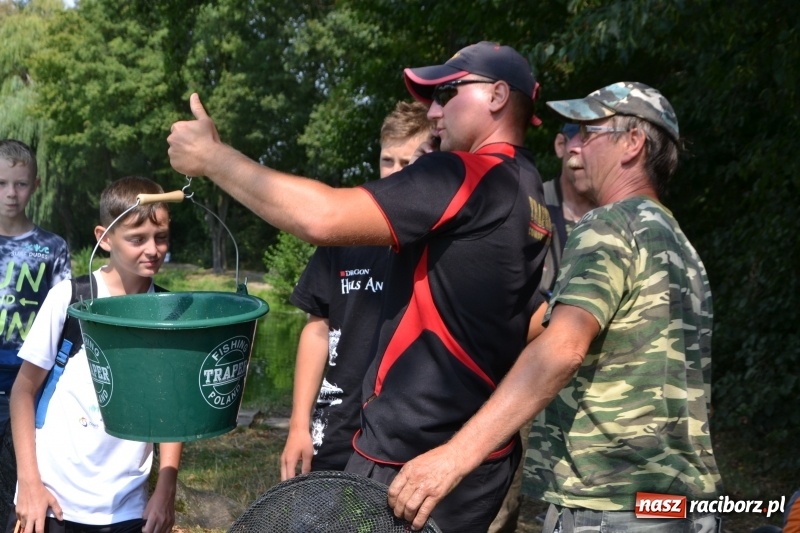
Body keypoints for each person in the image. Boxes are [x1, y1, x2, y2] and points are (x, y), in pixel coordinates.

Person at [168, 41, 550, 532]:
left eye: (447, 92)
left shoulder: (470, 173)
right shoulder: (529, 189)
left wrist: (213, 159)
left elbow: (323, 217)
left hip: (411, 455)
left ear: (497, 96)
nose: (433, 111)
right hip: (473, 460)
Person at [385, 81, 724, 533]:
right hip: (681, 507)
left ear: (633, 143)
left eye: (589, 131)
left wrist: (453, 457)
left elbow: (562, 348)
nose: (574, 145)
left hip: (612, 505)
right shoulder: (680, 246)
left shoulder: (609, 225)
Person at [6, 176, 182, 533]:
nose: (152, 249)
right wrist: (29, 485)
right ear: (104, 238)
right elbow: (22, 393)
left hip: (127, 507)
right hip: (51, 501)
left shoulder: (169, 311)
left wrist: (165, 489)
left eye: (160, 237)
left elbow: (172, 410)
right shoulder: (69, 298)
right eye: (137, 239)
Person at [280, 101, 432, 478]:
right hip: (335, 426)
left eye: (411, 163)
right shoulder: (347, 226)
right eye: (388, 161)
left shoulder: (444, 237)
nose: (398, 173)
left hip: (411, 435)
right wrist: (299, 424)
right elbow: (318, 328)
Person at [488, 122, 594, 533]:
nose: (583, 150)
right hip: (522, 371)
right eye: (577, 138)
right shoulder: (529, 202)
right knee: (498, 499)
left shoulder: (611, 217)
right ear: (559, 143)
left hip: (584, 382)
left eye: (595, 139)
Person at [0, 140, 72, 439]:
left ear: (35, 185)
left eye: (21, 184)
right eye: (2, 183)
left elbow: (64, 318)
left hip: (28, 377)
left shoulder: (53, 247)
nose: (11, 194)